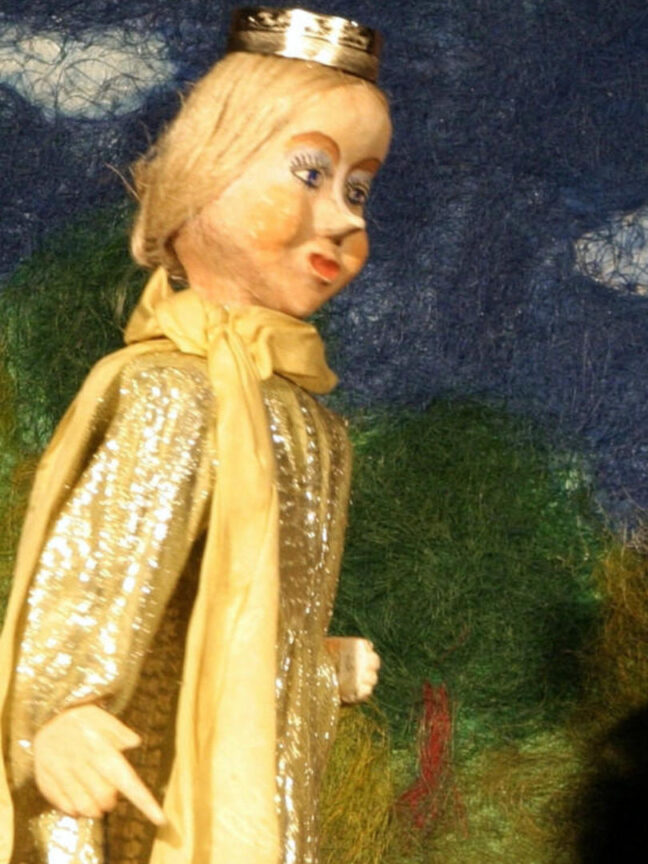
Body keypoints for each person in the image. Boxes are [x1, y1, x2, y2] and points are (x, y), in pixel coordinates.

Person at [0, 8, 390, 862]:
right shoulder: (173, 393)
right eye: (310, 173)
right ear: (206, 172)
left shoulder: (307, 419)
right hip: (149, 802)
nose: (344, 218)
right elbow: (93, 577)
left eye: (358, 189)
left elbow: (231, 626)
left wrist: (313, 665)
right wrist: (59, 715)